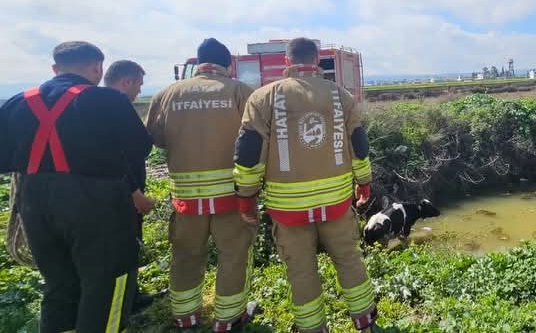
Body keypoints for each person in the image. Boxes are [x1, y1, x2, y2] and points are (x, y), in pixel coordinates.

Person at [0, 41, 152, 332]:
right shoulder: (107, 100)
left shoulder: (19, 102)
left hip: (34, 202)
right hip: (96, 201)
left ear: (55, 69)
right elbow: (139, 148)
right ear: (97, 67)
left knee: (59, 285)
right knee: (107, 283)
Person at [233, 37, 377, 333]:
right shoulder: (341, 97)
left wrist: (246, 197)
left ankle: (312, 328)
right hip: (336, 205)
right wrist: (364, 182)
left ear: (287, 61)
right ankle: (364, 321)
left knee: (301, 270)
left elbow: (249, 155)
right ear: (317, 60)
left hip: (288, 209)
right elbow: (358, 147)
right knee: (349, 260)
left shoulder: (264, 98)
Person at [145, 38, 257, 331]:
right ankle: (229, 318)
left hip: (185, 199)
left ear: (196, 62)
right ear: (228, 64)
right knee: (233, 256)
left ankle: (186, 317)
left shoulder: (168, 93)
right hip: (231, 197)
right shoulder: (240, 92)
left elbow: (154, 138)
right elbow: (258, 139)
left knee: (185, 255)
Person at [104, 59, 167, 313]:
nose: (139, 91)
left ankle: (131, 295)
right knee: (125, 248)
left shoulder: (87, 106)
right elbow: (140, 145)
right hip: (123, 193)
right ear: (126, 81)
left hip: (100, 194)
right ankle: (124, 305)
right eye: (138, 85)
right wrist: (135, 193)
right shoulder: (117, 104)